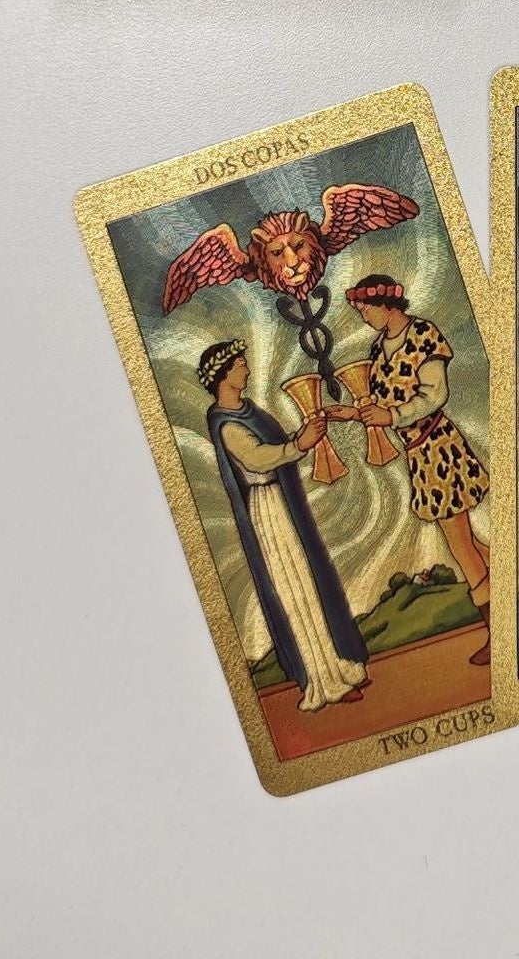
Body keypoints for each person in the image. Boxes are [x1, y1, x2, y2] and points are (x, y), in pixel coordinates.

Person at [327, 276, 494, 667]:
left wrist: (392, 415)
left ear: (387, 306)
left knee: (460, 546)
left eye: (366, 310)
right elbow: (382, 406)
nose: (364, 318)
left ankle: (498, 632)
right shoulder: (377, 349)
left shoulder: (423, 335)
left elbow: (434, 394)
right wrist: (353, 413)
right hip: (418, 454)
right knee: (469, 541)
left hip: (439, 447)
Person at [199, 339, 369, 712]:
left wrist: (303, 436)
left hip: (282, 502)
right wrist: (298, 444)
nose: (246, 369)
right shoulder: (227, 424)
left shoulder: (248, 411)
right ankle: (322, 681)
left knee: (310, 582)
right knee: (295, 590)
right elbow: (258, 459)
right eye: (240, 365)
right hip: (268, 511)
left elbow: (278, 446)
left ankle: (337, 664)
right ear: (223, 375)